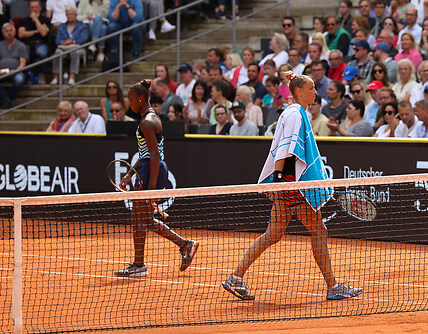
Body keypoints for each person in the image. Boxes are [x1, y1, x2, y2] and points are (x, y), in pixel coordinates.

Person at [221, 71, 362, 301]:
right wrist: (282, 184)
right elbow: (286, 149)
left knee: (273, 234)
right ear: (299, 92)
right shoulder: (296, 114)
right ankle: (333, 287)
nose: (315, 92)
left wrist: (280, 185)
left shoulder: (294, 111)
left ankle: (235, 278)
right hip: (289, 185)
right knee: (319, 231)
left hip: (286, 184)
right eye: (311, 88)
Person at [114, 79, 199, 277]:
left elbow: (154, 155)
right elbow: (145, 153)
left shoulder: (147, 121)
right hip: (147, 168)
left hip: (152, 170)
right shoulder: (147, 119)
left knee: (138, 218)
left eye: (131, 99)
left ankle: (139, 265)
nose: (130, 103)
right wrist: (128, 174)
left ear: (141, 99)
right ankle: (185, 244)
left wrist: (151, 188)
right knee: (143, 219)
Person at [50, 6, 88, 86]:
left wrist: (72, 41)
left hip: (77, 47)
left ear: (76, 15)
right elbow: (57, 41)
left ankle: (72, 77)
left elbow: (84, 39)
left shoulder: (82, 26)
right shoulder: (61, 27)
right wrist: (63, 42)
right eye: (68, 14)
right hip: (64, 47)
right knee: (57, 52)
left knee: (75, 53)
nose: (70, 16)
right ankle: (55, 77)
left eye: (72, 14)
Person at [18, 0, 50, 84]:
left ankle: (42, 74)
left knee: (42, 53)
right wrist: (35, 31)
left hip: (41, 43)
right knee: (25, 51)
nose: (34, 9)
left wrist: (36, 20)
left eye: (36, 7)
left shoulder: (45, 20)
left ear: (40, 8)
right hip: (28, 44)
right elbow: (21, 34)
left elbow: (43, 33)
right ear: (29, 9)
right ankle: (27, 75)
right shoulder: (24, 20)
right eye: (32, 7)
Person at [0, 22, 28, 109]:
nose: (9, 33)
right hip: (1, 72)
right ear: (3, 33)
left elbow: (23, 63)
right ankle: (6, 100)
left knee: (19, 80)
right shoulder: (0, 45)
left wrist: (16, 71)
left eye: (11, 30)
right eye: (6, 31)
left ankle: (7, 99)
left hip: (16, 71)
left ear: (14, 32)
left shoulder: (21, 45)